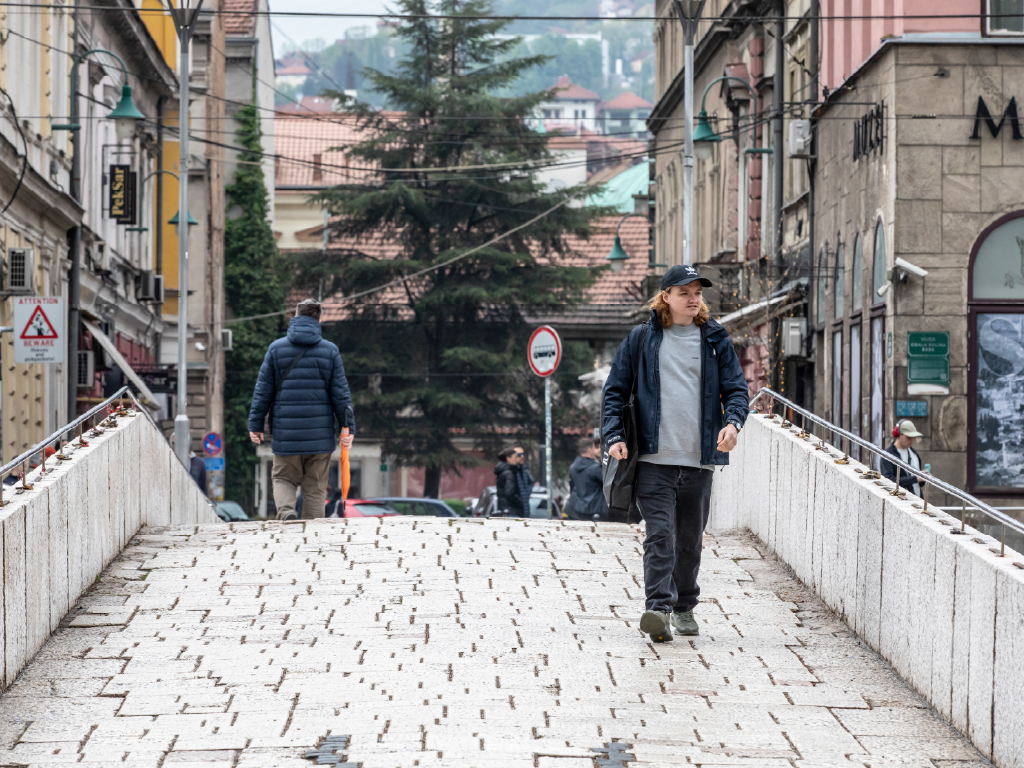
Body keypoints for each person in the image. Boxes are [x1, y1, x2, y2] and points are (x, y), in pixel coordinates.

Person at [603, 265, 749, 643]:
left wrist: (733, 424)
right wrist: (614, 435)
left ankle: (684, 605)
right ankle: (658, 608)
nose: (694, 297)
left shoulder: (715, 340)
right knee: (660, 536)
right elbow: (615, 391)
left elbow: (736, 390)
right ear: (665, 296)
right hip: (653, 460)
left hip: (700, 459)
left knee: (689, 540)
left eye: (698, 291)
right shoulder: (642, 339)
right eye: (684, 291)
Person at [248, 299, 355, 520]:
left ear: (294, 317)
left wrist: (256, 424)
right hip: (320, 435)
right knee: (315, 486)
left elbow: (263, 391)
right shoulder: (330, 351)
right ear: (319, 319)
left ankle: (287, 512)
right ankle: (313, 529)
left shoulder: (276, 349)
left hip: (286, 434)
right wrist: (348, 427)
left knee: (284, 478)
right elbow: (341, 394)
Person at [565, 436, 608, 521]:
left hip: (578, 509)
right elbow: (608, 483)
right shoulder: (595, 468)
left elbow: (572, 487)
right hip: (596, 510)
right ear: (589, 450)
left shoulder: (573, 467)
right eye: (594, 447)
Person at [880, 419, 924, 496]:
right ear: (899, 435)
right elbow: (888, 480)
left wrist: (923, 478)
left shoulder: (914, 454)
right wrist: (915, 478)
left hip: (918, 500)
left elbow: (918, 484)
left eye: (912, 437)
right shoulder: (887, 455)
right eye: (908, 437)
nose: (911, 440)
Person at [494, 445, 533, 517]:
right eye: (518, 455)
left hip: (519, 510)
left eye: (523, 454)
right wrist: (519, 501)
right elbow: (509, 492)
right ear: (509, 458)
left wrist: (526, 495)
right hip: (512, 510)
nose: (521, 456)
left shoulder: (523, 470)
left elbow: (530, 483)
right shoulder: (510, 472)